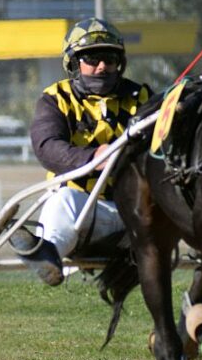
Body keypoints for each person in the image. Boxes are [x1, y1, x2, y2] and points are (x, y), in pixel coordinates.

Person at [11, 18, 151, 285]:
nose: (102, 66)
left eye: (109, 59)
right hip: (82, 213)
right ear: (74, 63)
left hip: (135, 212)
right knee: (63, 198)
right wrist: (93, 158)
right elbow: (47, 147)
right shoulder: (55, 99)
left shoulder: (141, 96)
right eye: (93, 59)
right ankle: (47, 255)